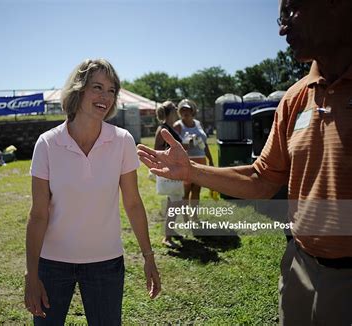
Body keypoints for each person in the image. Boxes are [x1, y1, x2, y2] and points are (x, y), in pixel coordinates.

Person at [137, 0, 352, 323]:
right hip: (299, 265)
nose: (282, 28)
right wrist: (191, 170)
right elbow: (261, 179)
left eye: (291, 10)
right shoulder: (295, 98)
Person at [25, 59, 161, 325]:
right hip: (52, 264)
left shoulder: (122, 141)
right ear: (79, 90)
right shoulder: (48, 143)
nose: (105, 97)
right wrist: (32, 273)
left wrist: (148, 257)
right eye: (97, 87)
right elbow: (38, 214)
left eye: (111, 90)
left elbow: (133, 204)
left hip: (106, 264)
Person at [154, 101, 183, 249]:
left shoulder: (169, 127)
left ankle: (170, 231)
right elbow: (157, 149)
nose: (177, 110)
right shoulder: (163, 129)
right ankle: (167, 237)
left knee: (174, 201)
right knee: (175, 202)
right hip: (170, 171)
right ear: (171, 112)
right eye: (175, 108)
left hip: (174, 170)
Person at [173, 99, 214, 204]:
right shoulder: (178, 125)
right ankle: (186, 219)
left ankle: (194, 218)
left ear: (193, 111)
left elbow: (204, 143)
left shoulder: (198, 123)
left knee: (197, 190)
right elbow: (175, 146)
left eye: (187, 109)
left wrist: (210, 160)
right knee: (185, 192)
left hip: (201, 160)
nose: (185, 112)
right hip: (187, 161)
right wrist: (187, 142)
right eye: (182, 110)